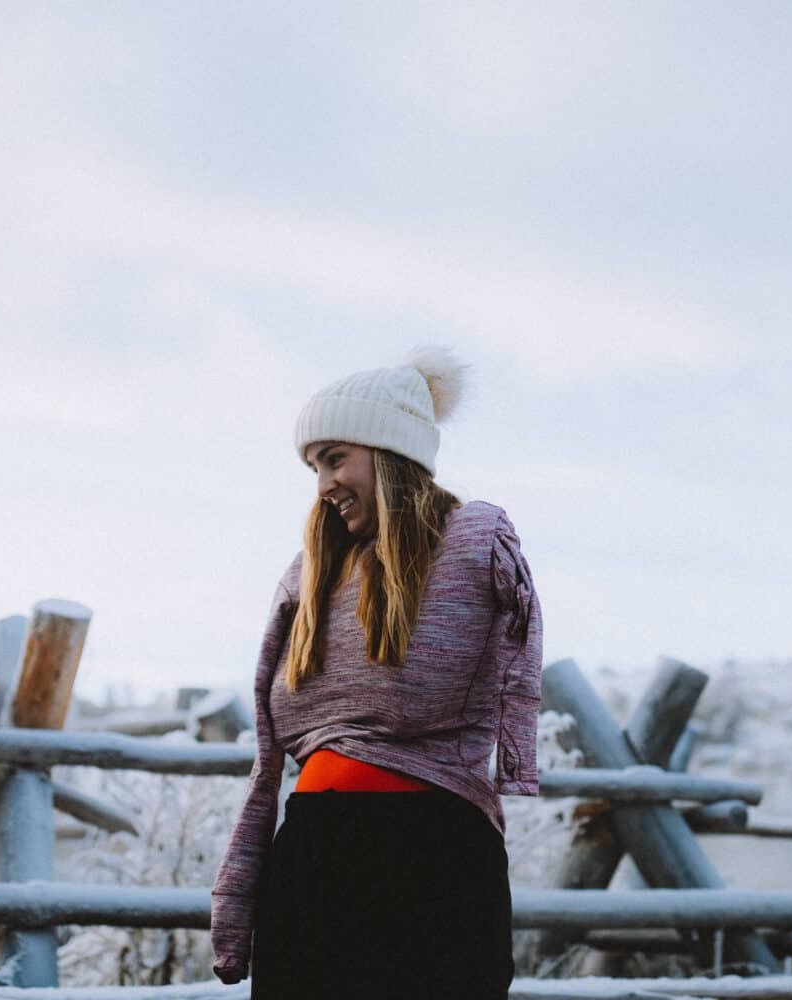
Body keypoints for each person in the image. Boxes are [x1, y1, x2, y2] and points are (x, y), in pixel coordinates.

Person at [209, 346, 544, 999]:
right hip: (312, 860)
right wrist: (240, 897)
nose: (323, 484)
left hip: (432, 856)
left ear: (391, 452)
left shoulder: (473, 540)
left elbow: (519, 652)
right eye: (314, 467)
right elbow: (267, 759)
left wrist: (516, 761)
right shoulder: (307, 576)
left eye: (335, 459)